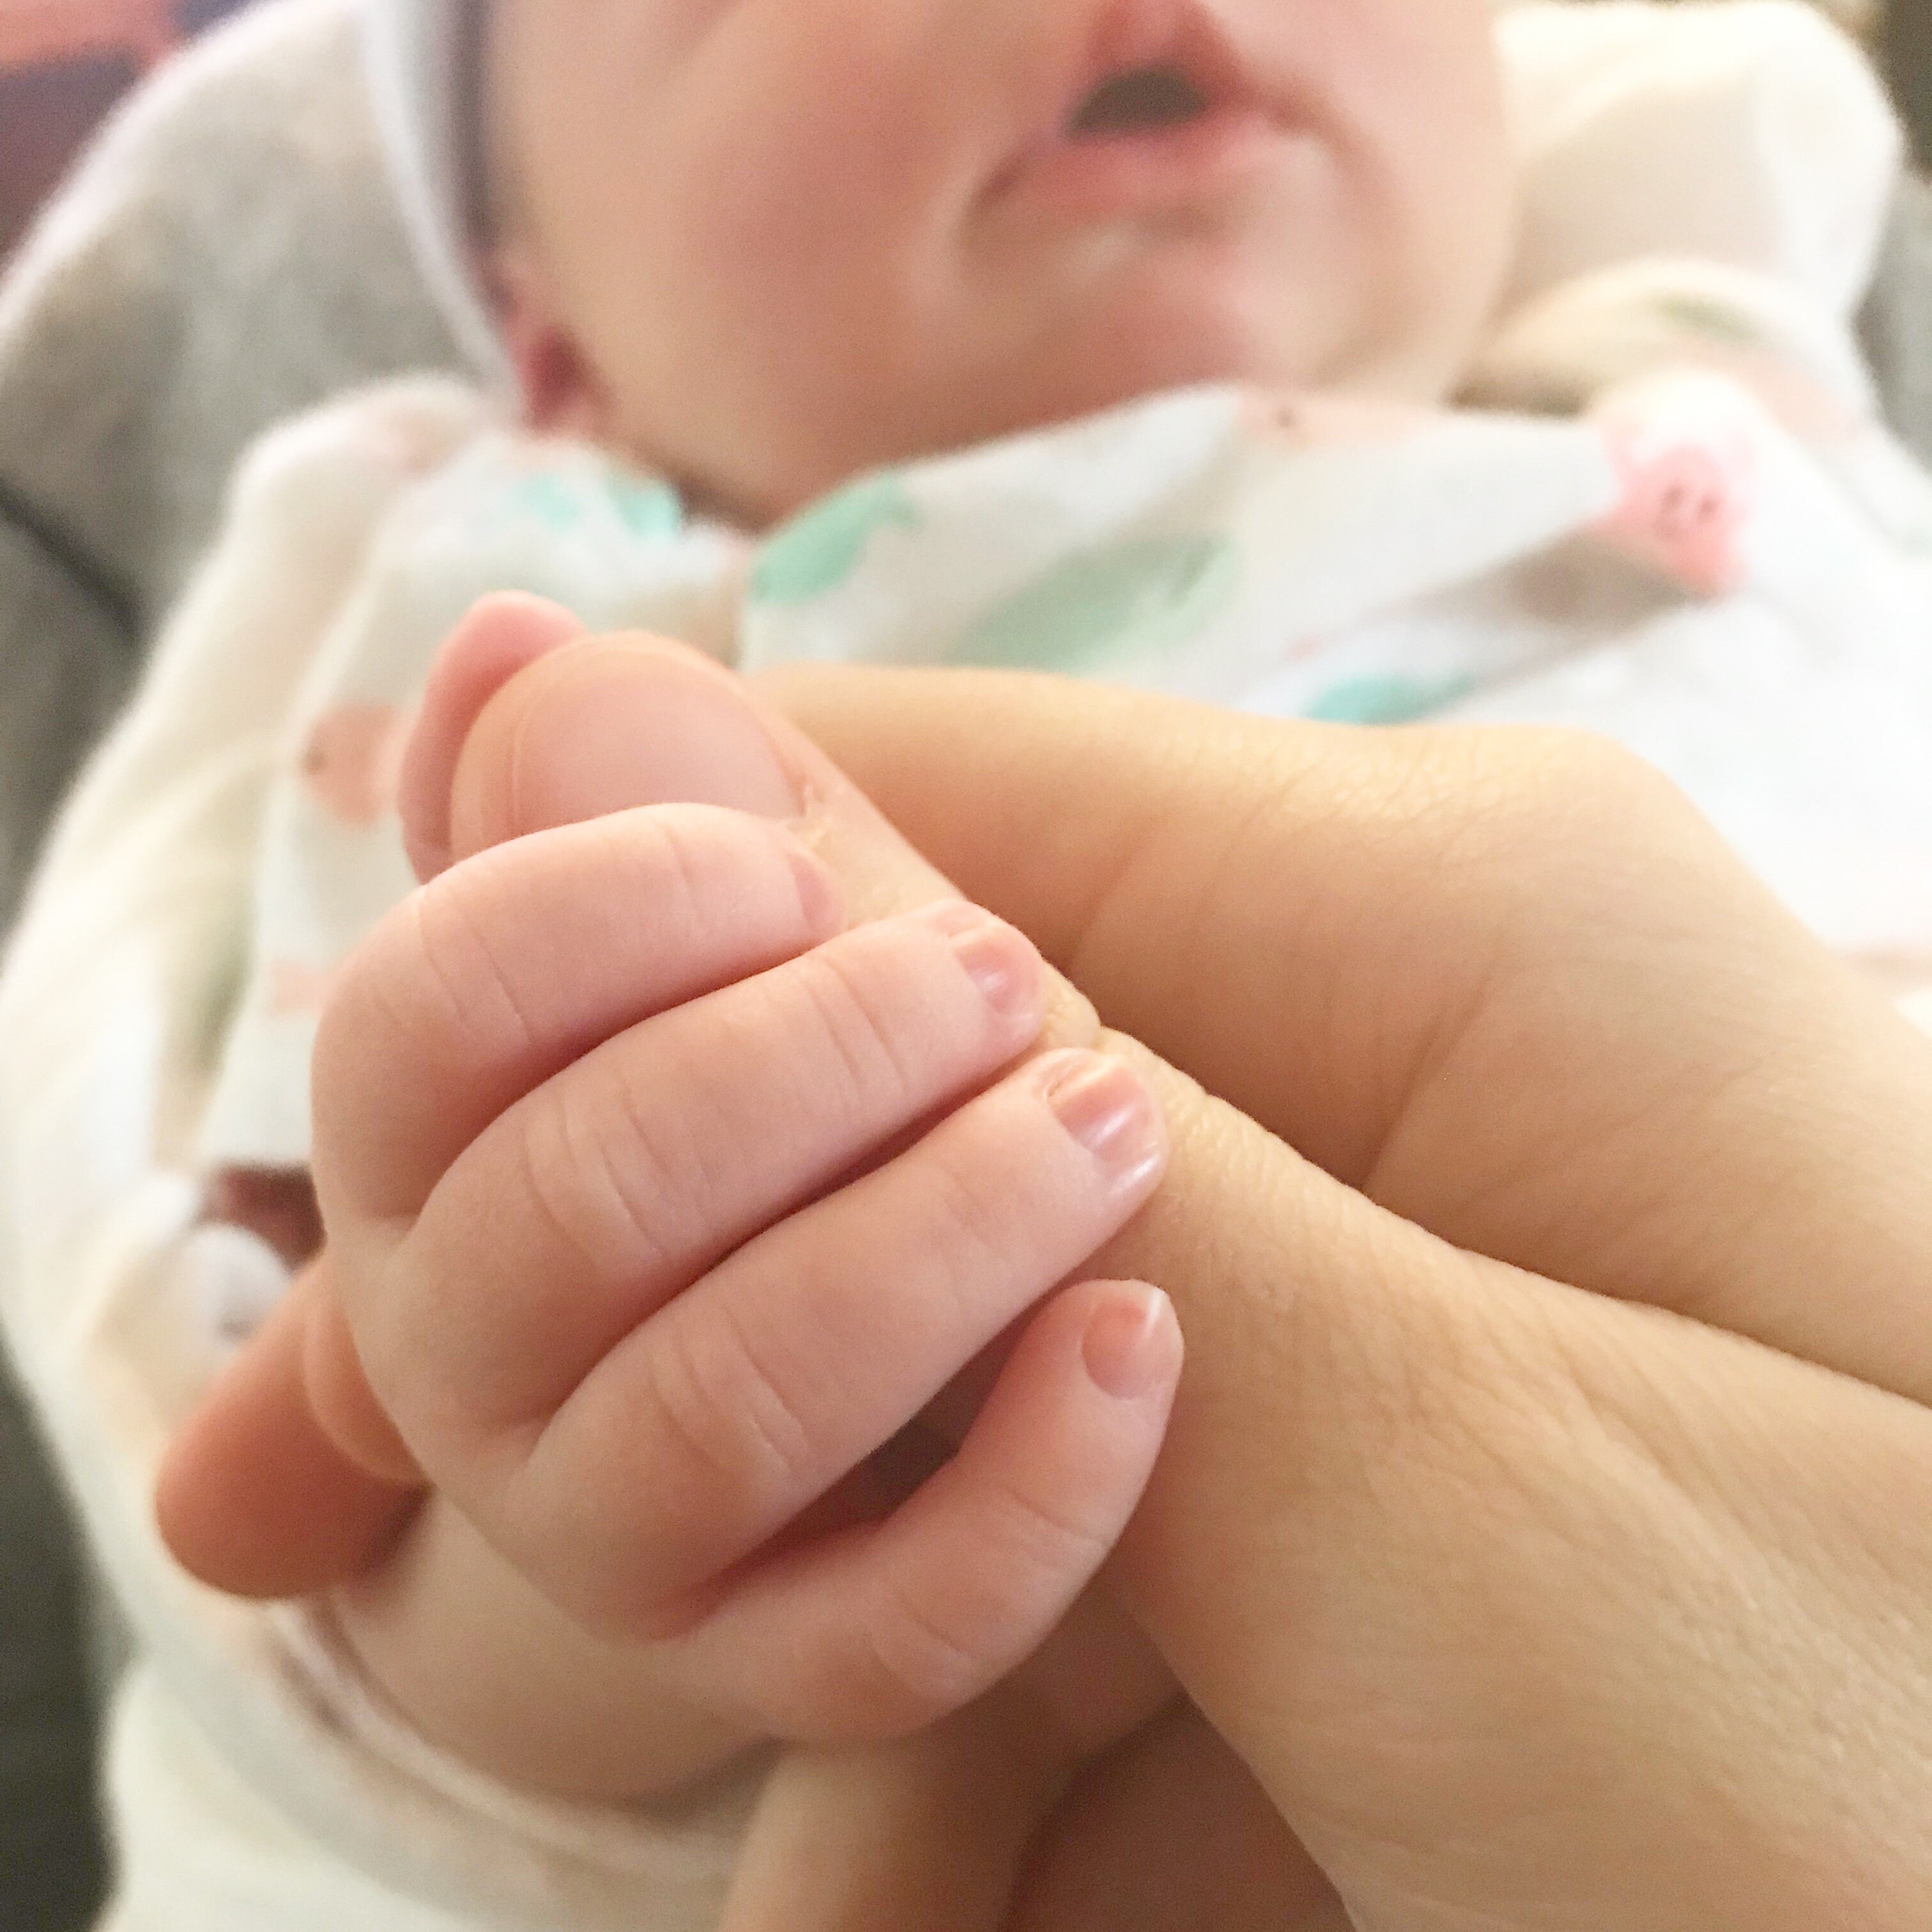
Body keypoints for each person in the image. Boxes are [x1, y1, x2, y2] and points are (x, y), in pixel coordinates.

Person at [1, 0, 1928, 1925]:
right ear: (559, 355)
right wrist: (627, 1513)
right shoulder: (569, 630)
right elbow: (346, 1508)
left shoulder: (1699, 397)